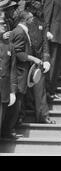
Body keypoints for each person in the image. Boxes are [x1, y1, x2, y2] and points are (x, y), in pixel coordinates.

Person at [2, 11, 44, 139]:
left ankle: (9, 129)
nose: (32, 21)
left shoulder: (19, 30)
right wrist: (33, 58)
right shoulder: (20, 32)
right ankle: (8, 130)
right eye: (31, 19)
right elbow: (19, 53)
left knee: (17, 104)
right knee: (16, 104)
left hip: (19, 73)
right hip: (19, 73)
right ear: (26, 20)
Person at [19, 0, 54, 124]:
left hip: (38, 60)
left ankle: (43, 116)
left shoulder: (41, 17)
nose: (40, 3)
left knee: (40, 89)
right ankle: (19, 118)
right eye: (38, 1)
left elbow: (45, 40)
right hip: (23, 59)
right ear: (31, 2)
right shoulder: (21, 17)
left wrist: (46, 58)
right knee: (21, 91)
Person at [0, 0, 17, 138]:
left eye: (4, 25)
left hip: (4, 89)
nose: (4, 27)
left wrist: (12, 91)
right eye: (1, 25)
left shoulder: (9, 46)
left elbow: (12, 70)